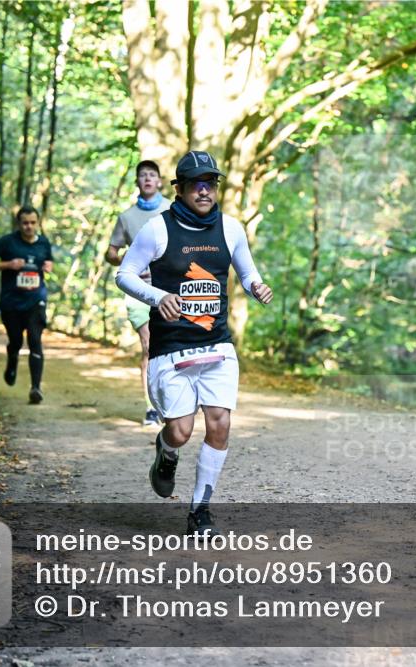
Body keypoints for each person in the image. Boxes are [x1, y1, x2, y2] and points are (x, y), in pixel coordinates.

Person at [116, 150, 273, 536]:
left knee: (220, 424)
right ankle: (166, 451)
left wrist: (256, 286)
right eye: (196, 185)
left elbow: (247, 271)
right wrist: (158, 297)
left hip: (217, 345)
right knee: (181, 431)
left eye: (211, 184)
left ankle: (200, 510)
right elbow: (125, 274)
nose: (204, 191)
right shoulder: (157, 229)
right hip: (171, 348)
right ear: (180, 189)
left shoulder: (231, 228)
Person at [105, 160, 171, 426]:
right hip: (138, 290)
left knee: (171, 346)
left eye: (152, 175)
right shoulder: (126, 217)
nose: (147, 179)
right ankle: (151, 407)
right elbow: (111, 252)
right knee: (149, 345)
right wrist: (124, 260)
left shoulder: (172, 210)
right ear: (137, 182)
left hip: (169, 289)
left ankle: (171, 401)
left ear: (159, 181)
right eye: (143, 175)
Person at [0, 206, 55, 405]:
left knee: (35, 340)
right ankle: (12, 358)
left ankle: (36, 388)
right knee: (15, 340)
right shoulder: (7, 242)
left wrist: (49, 266)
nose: (28, 227)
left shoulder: (44, 243)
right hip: (11, 302)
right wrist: (8, 265)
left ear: (38, 223)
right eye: (25, 223)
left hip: (36, 300)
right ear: (18, 224)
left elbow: (48, 262)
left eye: (32, 223)